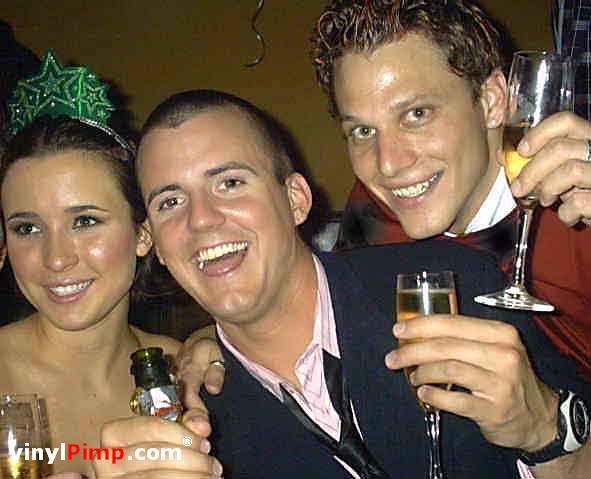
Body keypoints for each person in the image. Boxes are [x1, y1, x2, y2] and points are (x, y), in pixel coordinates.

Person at [94, 90, 590, 479]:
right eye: (170, 202)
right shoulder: (197, 424)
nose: (201, 220)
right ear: (156, 245)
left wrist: (544, 429)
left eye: (230, 183)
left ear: (295, 199)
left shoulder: (449, 285)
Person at [0, 52, 220, 477]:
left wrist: (219, 341)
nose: (56, 258)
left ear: (143, 233)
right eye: (27, 228)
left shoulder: (188, 378)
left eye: (85, 221)